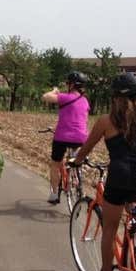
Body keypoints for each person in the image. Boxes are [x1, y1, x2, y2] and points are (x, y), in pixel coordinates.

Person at [71, 73, 136, 271]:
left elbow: (87, 147)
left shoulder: (107, 120)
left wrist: (76, 161)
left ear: (116, 97)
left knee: (110, 227)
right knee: (134, 203)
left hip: (121, 175)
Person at [41, 71, 90, 204]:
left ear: (72, 85)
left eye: (68, 83)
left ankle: (54, 193)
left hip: (62, 137)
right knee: (77, 162)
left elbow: (45, 97)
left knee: (55, 164)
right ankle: (78, 182)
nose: (67, 85)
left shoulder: (65, 97)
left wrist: (55, 91)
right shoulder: (85, 101)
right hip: (81, 138)